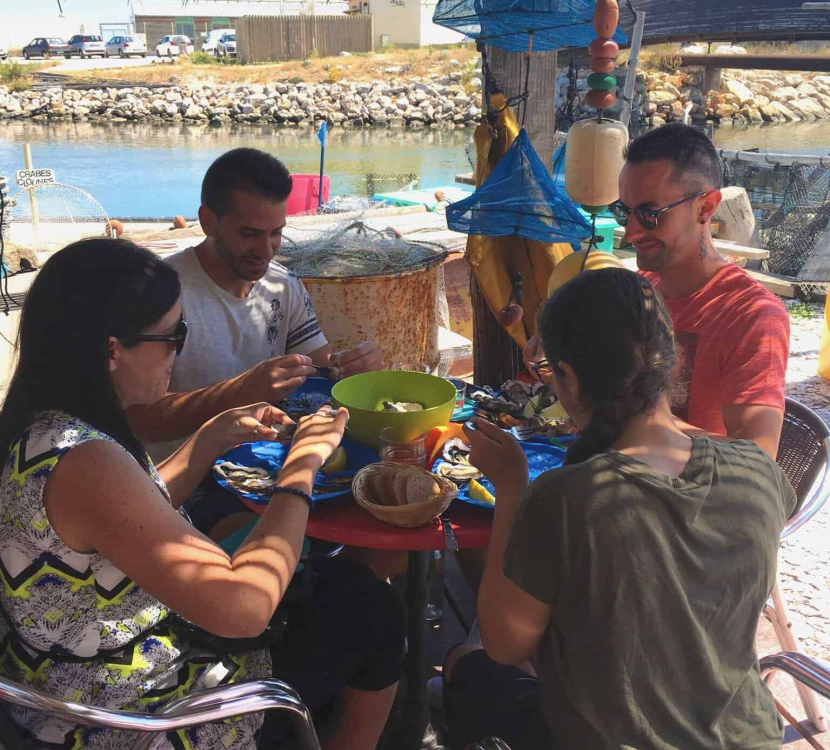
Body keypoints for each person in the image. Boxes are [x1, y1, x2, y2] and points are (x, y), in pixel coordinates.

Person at [0, 238, 405, 750]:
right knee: (373, 612)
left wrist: (211, 436)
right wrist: (302, 465)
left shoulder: (42, 426)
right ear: (112, 349)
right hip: (130, 713)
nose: (180, 350)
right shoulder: (85, 460)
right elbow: (242, 609)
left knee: (345, 588)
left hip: (66, 677)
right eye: (173, 335)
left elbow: (126, 517)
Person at [444, 268, 794, 750]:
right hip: (749, 736)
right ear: (670, 363)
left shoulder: (567, 497)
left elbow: (505, 645)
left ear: (564, 378)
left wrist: (511, 485)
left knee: (465, 663)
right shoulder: (759, 470)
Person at [125, 148, 384, 540]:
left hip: (272, 464)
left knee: (379, 516)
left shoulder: (283, 284)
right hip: (185, 483)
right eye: (249, 234)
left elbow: (323, 370)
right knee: (291, 557)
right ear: (208, 221)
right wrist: (240, 392)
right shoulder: (161, 293)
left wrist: (357, 372)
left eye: (276, 233)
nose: (265, 251)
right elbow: (138, 420)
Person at [525, 123, 790, 459]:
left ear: (705, 208)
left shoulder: (751, 315)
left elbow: (757, 457)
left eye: (650, 215)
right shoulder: (641, 291)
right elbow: (610, 390)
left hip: (687, 502)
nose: (631, 233)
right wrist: (562, 372)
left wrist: (640, 421)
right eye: (624, 212)